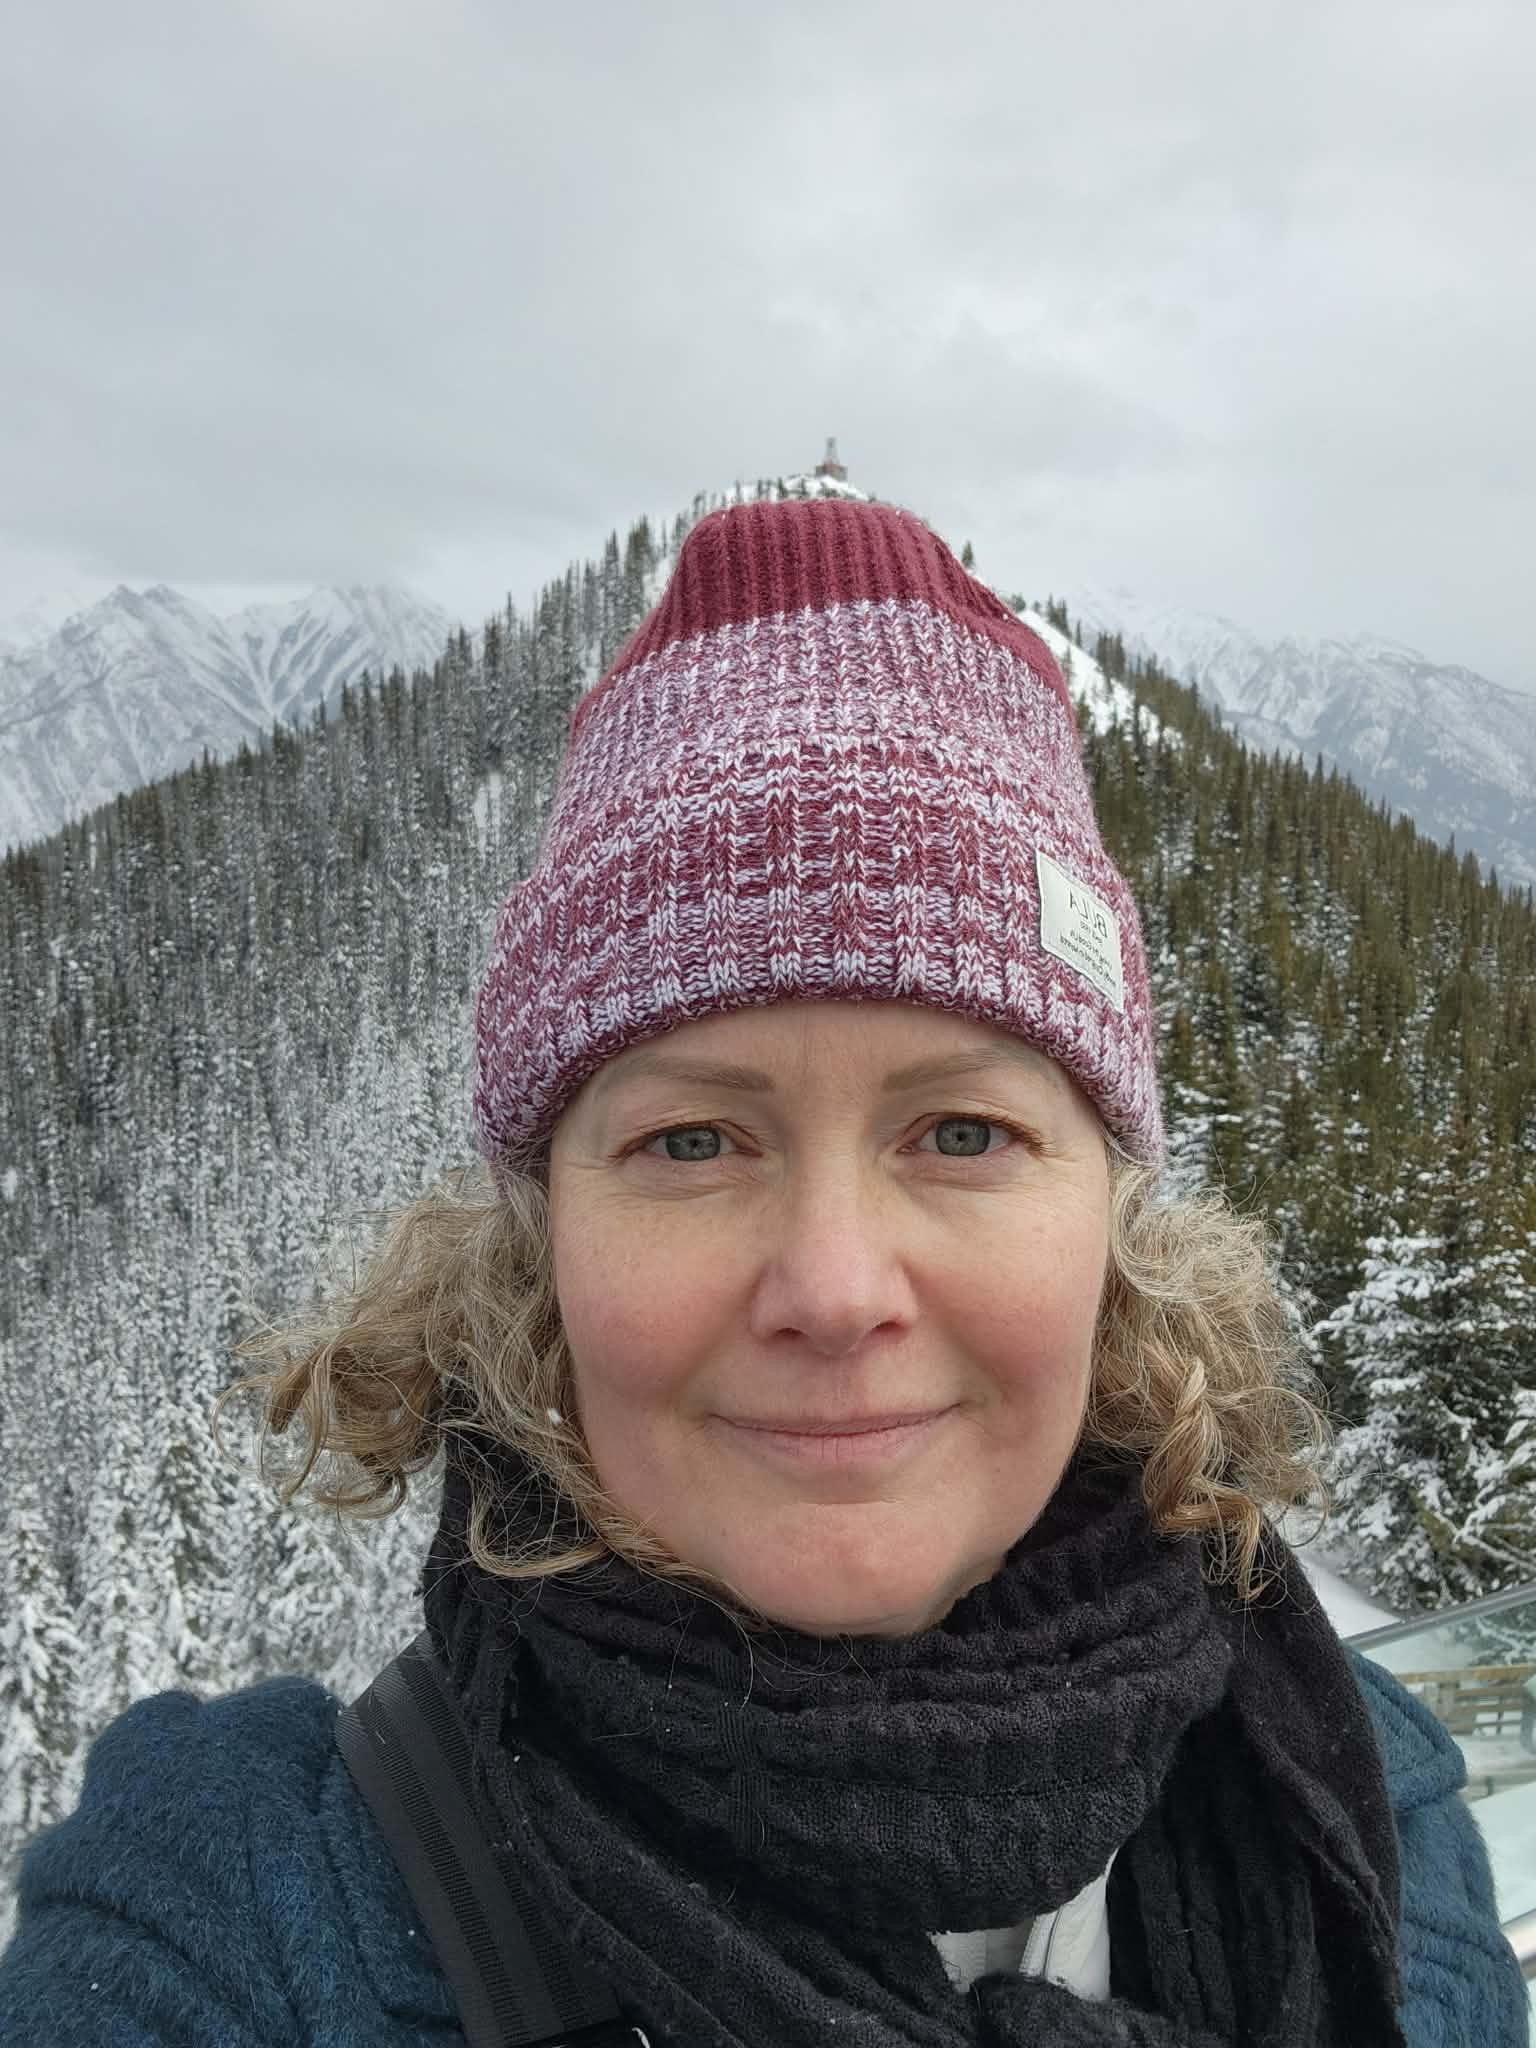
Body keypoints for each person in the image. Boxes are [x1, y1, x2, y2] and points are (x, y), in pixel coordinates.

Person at [1, 495, 1527, 2046]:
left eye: (963, 1133)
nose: (837, 1287)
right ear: (540, 1247)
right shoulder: (243, 1917)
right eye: (692, 1143)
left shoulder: (1371, 1820)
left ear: (1114, 1224)